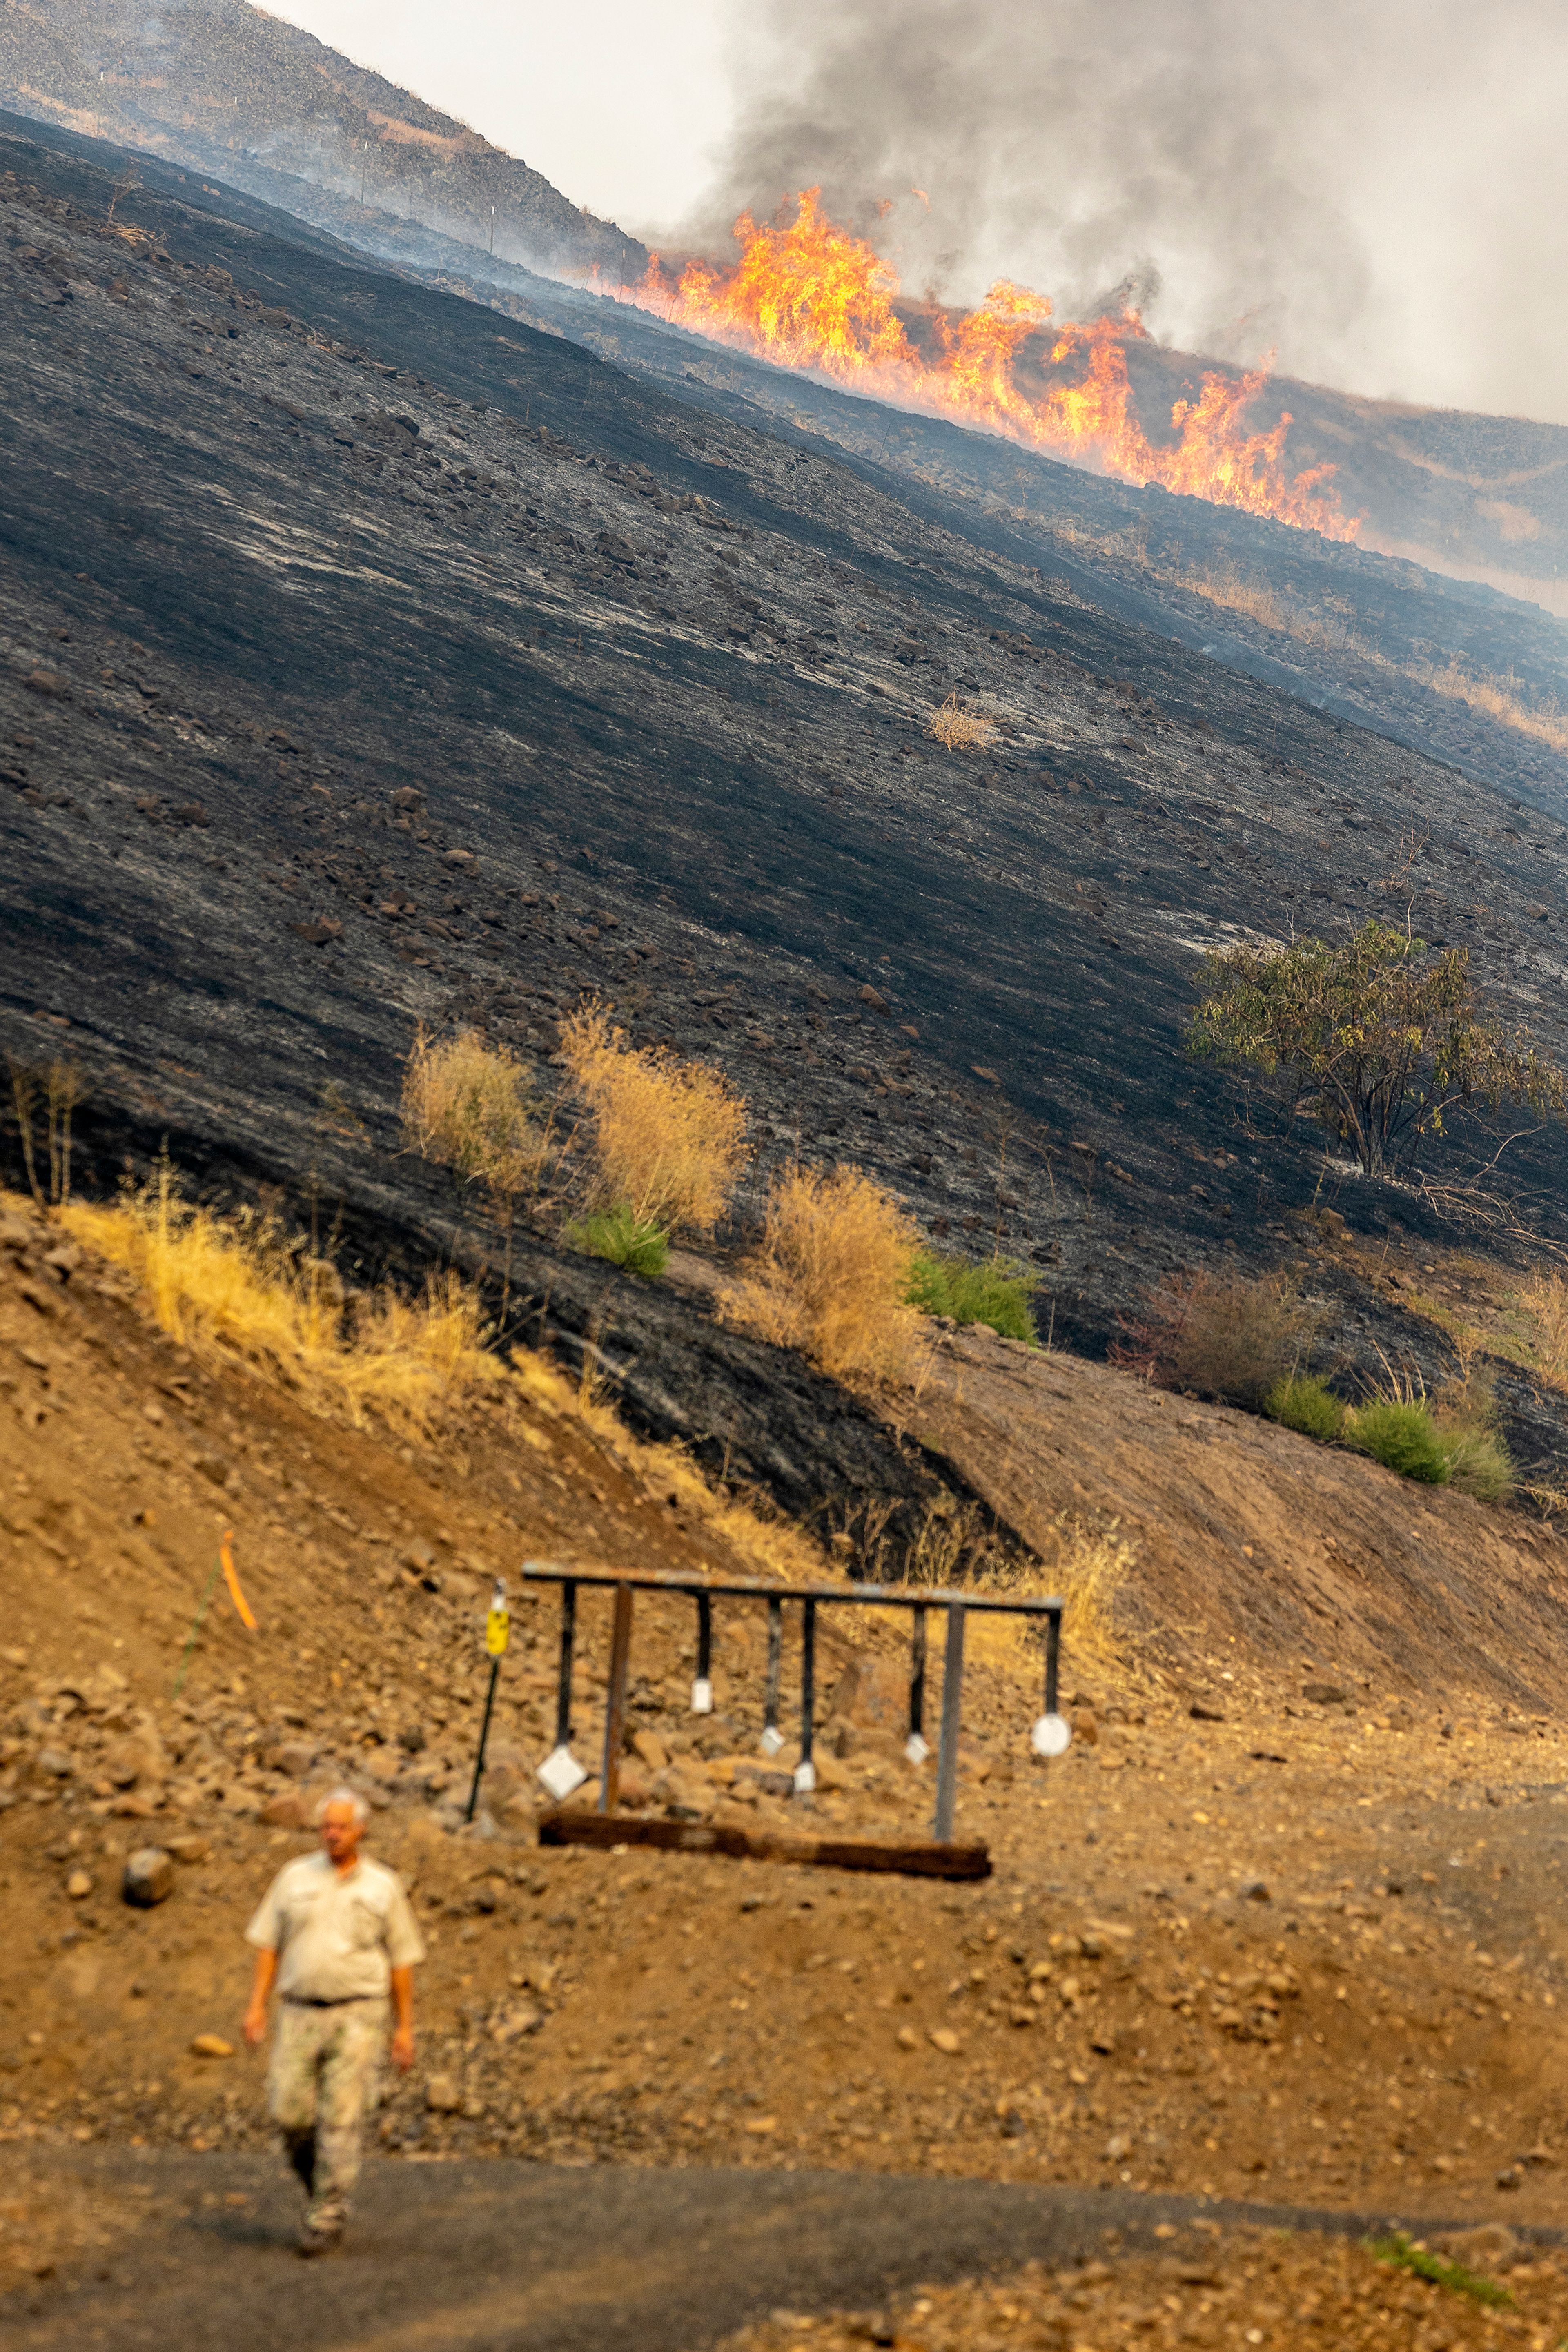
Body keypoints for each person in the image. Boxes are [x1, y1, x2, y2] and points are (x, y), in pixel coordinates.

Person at [242, 1786, 424, 2257]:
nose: (333, 1835)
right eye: (326, 1826)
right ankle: (321, 2187)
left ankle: (327, 2214)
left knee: (341, 2118)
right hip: (300, 2009)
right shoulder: (293, 1878)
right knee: (289, 2113)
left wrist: (404, 2028)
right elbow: (268, 1943)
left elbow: (402, 1958)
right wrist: (257, 2005)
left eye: (342, 1827)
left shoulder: (382, 1887)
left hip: (359, 2012)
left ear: (361, 1830)